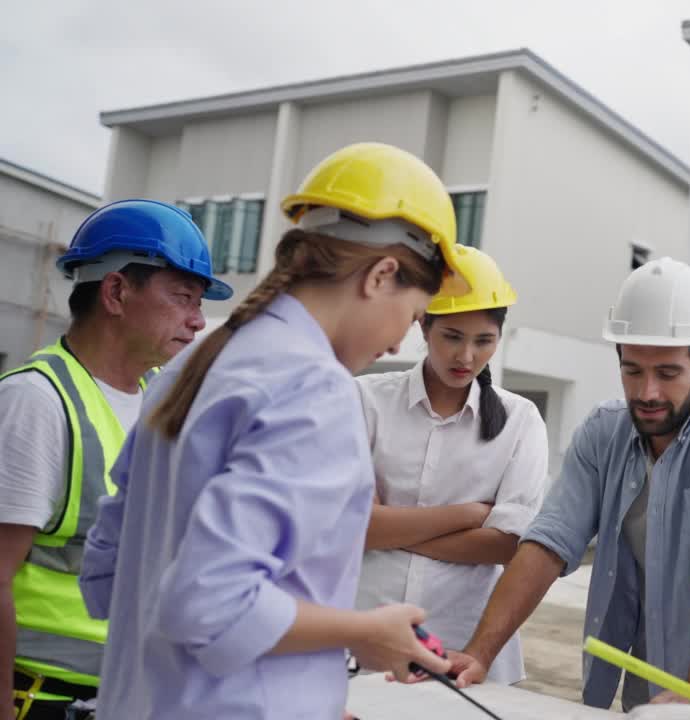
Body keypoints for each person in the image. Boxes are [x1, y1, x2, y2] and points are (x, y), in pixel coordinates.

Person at [75, 142, 475, 718]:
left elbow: (109, 571)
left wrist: (302, 684)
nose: (395, 344)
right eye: (412, 318)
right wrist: (365, 634)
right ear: (381, 275)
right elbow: (209, 602)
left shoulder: (191, 366)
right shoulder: (313, 386)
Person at [446, 257, 690, 711]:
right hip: (642, 690)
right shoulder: (603, 431)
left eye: (667, 373)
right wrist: (478, 654)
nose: (647, 392)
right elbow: (547, 543)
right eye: (632, 370)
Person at [1, 199, 227, 720]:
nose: (198, 321)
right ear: (117, 292)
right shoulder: (37, 401)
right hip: (41, 699)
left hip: (128, 696)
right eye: (183, 298)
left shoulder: (160, 403)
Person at [356, 245, 548, 685]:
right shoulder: (366, 401)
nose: (466, 357)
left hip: (464, 648)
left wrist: (391, 531)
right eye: (452, 337)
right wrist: (467, 516)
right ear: (423, 324)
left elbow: (506, 546)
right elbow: (353, 528)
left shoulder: (520, 422)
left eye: (484, 341)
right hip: (367, 639)